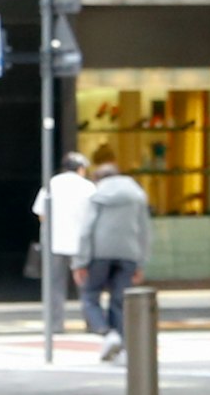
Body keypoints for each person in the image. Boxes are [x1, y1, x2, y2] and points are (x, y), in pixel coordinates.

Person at [77, 155, 151, 361]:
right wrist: (140, 261)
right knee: (119, 300)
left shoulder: (98, 194)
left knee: (90, 295)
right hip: (128, 253)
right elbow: (144, 231)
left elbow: (86, 230)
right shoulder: (137, 194)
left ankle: (106, 333)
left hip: (99, 254)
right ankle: (123, 347)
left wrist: (80, 262)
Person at [35, 149, 93, 314]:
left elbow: (41, 214)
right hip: (81, 242)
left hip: (55, 241)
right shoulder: (88, 187)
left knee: (54, 285)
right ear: (81, 168)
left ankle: (54, 324)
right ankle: (91, 320)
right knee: (85, 284)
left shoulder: (52, 184)